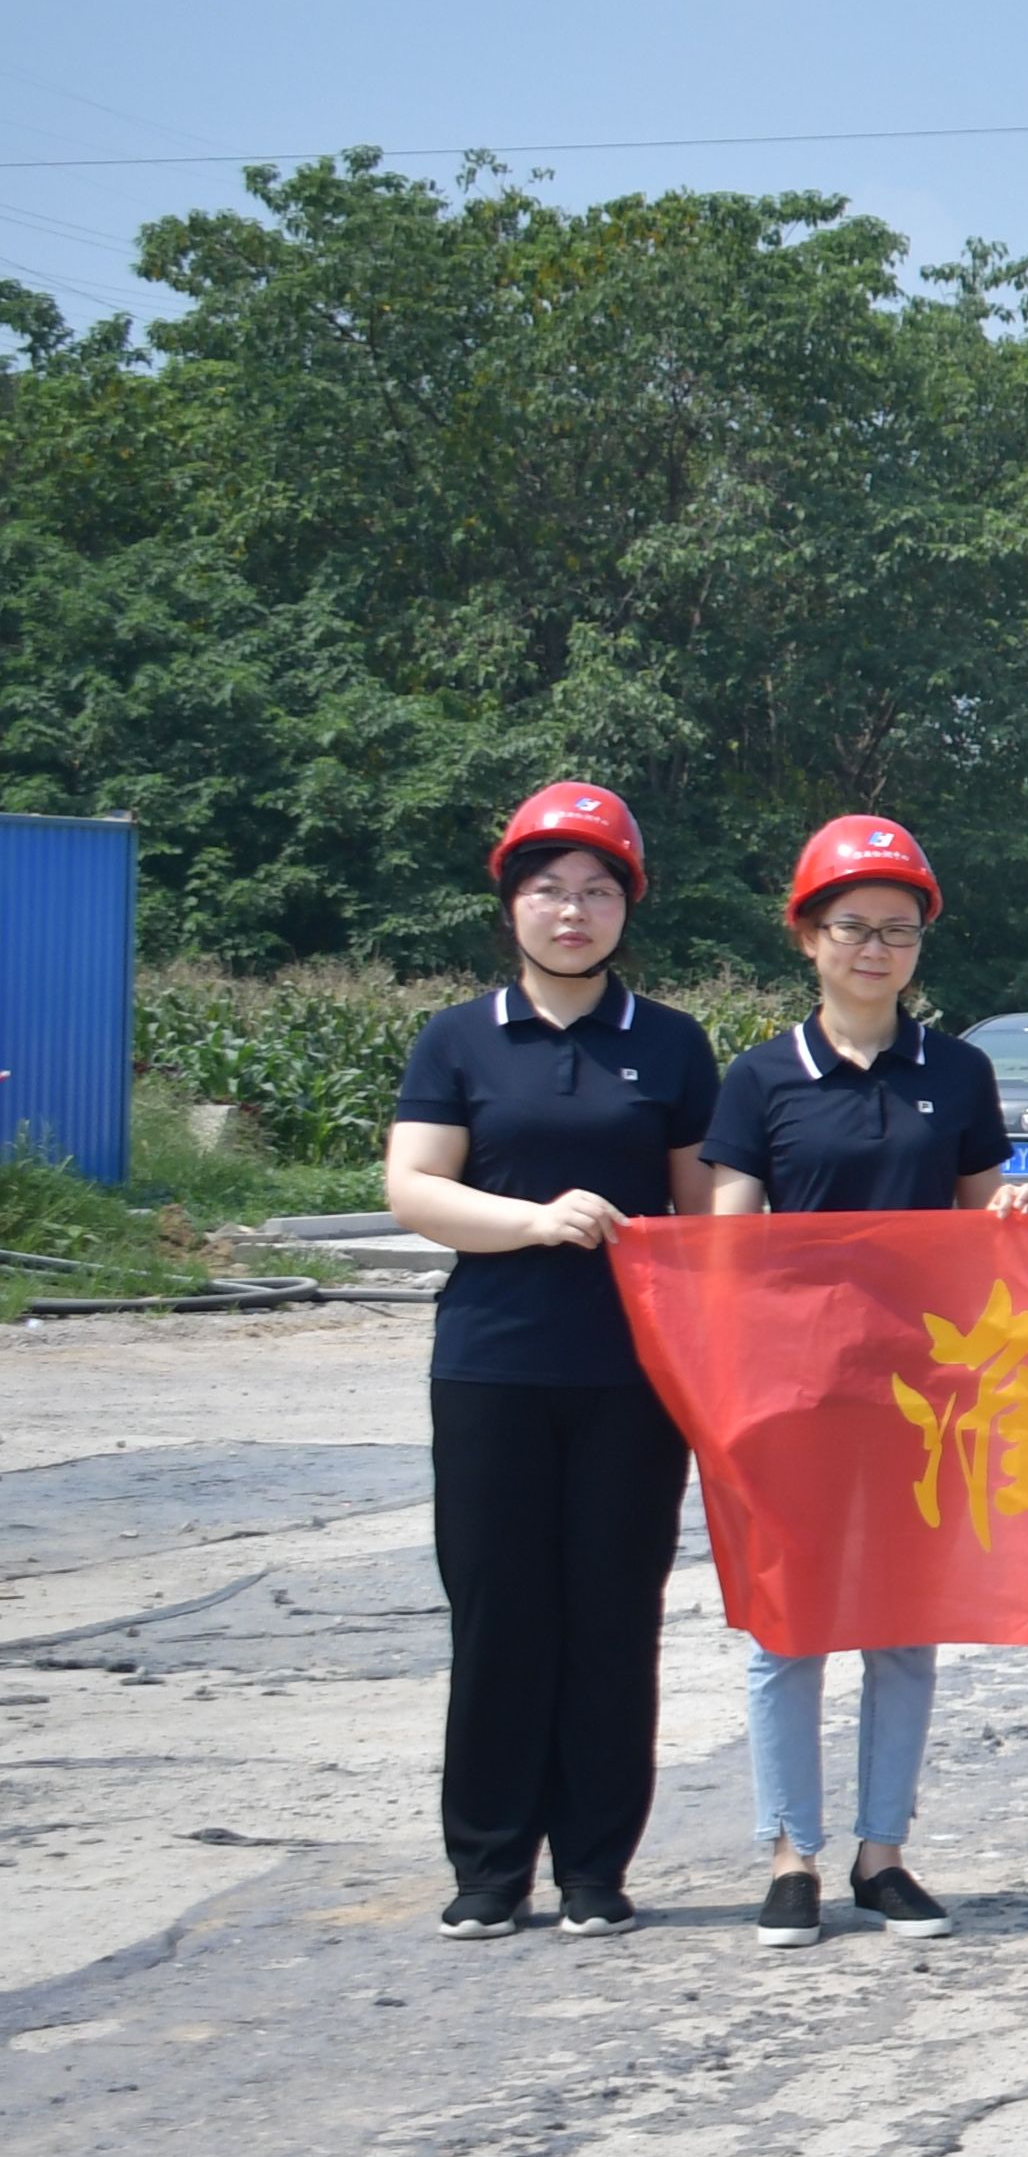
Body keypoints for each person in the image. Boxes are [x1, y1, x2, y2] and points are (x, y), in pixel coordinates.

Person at [386, 783, 722, 1941]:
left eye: (596, 891)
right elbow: (414, 1187)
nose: (572, 912)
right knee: (499, 1613)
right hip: (494, 1365)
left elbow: (706, 1213)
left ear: (628, 907)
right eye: (549, 890)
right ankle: (489, 1866)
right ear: (511, 905)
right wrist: (534, 1221)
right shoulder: (460, 1036)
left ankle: (593, 1865)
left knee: (614, 1613)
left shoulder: (670, 1044)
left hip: (633, 1376)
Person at [697, 814, 1007, 1949]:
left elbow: (981, 1218)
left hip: (922, 1395)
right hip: (795, 1394)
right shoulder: (761, 1078)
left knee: (903, 1627)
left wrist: (1007, 1218)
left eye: (898, 930)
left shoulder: (957, 1072)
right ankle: (792, 1855)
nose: (875, 949)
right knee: (789, 1629)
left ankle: (884, 1854)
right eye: (853, 927)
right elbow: (727, 1247)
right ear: (808, 937)